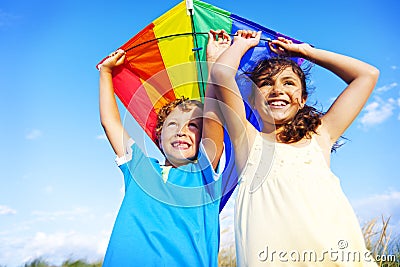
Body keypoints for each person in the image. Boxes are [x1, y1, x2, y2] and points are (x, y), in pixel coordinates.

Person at [210, 29, 380, 266]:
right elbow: (221, 73)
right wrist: (241, 44)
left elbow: (367, 75)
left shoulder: (321, 136)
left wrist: (305, 52)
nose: (277, 90)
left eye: (288, 83)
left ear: (302, 99)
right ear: (253, 101)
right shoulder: (247, 140)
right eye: (266, 84)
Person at [98, 31, 229, 266]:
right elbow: (111, 123)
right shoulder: (139, 167)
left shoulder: (204, 175)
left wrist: (213, 62)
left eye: (193, 126)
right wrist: (106, 73)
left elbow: (214, 116)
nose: (181, 131)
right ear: (159, 136)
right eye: (172, 124)